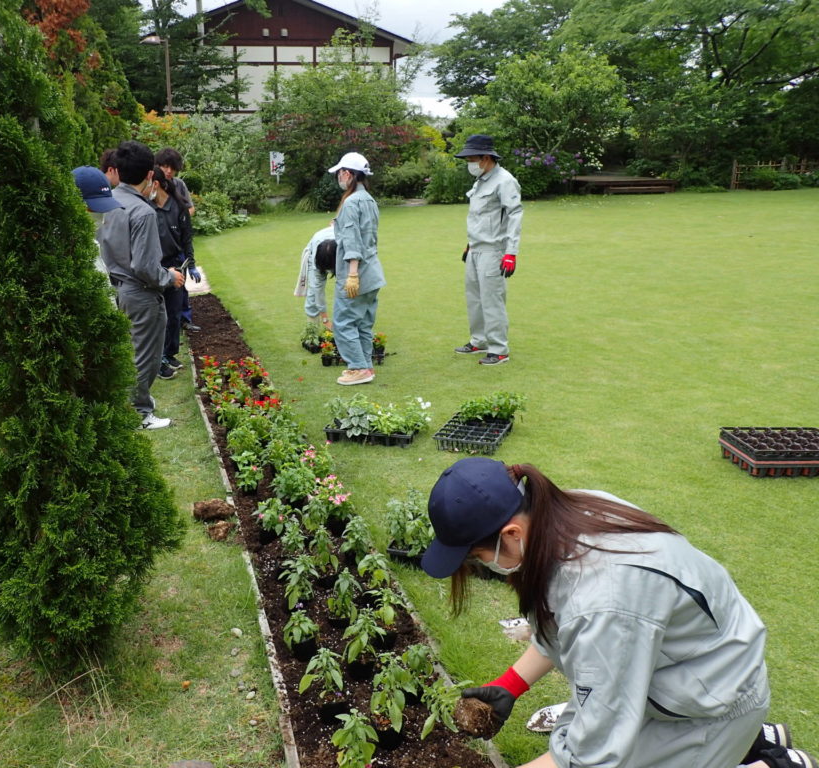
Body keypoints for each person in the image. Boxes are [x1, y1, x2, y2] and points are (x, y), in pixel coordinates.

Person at [419, 457, 816, 768]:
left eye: (477, 555)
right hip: (676, 670)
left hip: (713, 701)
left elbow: (592, 756)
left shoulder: (602, 599)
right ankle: (754, 740)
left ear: (511, 534)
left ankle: (770, 760)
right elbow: (563, 623)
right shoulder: (564, 513)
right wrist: (510, 685)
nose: (480, 564)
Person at [98, 141, 185, 430]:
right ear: (150, 175)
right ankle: (140, 414)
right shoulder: (143, 212)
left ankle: (137, 403)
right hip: (141, 293)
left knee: (131, 352)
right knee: (145, 356)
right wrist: (169, 278)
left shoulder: (110, 202)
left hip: (119, 288)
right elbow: (146, 267)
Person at [454, 134, 523, 366]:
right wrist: (469, 244)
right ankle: (479, 340)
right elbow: (478, 216)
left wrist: (511, 252)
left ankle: (499, 349)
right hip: (475, 248)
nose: (469, 164)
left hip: (494, 251)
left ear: (485, 158)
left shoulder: (505, 181)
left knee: (492, 299)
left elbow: (514, 214)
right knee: (474, 298)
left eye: (472, 159)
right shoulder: (482, 180)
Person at [327, 152, 384, 386]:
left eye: (340, 173)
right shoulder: (369, 199)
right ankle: (366, 366)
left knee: (343, 322)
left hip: (357, 274)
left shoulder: (351, 202)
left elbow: (352, 240)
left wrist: (351, 274)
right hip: (373, 272)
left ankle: (358, 367)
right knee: (363, 323)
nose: (339, 178)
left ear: (348, 174)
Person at [149, 165, 198, 381]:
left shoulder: (177, 206)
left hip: (176, 265)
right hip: (156, 267)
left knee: (174, 313)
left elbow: (187, 237)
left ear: (156, 183)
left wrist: (192, 264)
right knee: (158, 315)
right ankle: (158, 359)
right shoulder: (146, 208)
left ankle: (169, 353)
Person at [154, 148, 201, 332]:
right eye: (165, 166)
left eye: (172, 168)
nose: (168, 171)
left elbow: (189, 209)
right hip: (160, 244)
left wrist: (178, 217)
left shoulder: (179, 185)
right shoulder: (152, 186)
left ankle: (184, 319)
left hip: (178, 240)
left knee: (180, 285)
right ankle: (164, 325)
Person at [70, 165, 120, 277]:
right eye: (94, 207)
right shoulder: (60, 245)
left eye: (103, 208)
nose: (100, 214)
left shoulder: (91, 242)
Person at [293, 225, 336, 328]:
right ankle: (312, 333)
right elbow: (318, 290)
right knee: (312, 295)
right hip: (315, 255)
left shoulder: (347, 247)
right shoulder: (316, 256)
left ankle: (345, 330)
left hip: (340, 255)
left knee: (347, 289)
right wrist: (325, 319)